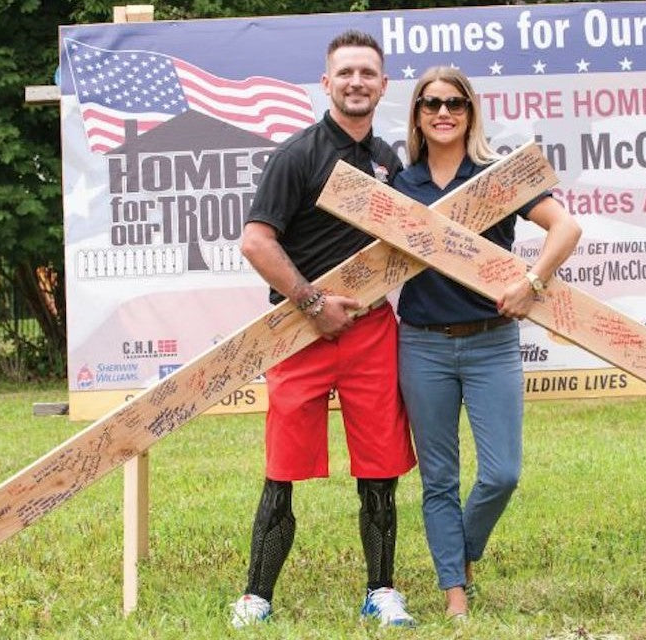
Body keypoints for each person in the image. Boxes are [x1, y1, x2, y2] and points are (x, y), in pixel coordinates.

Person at [232, 30, 417, 628]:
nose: (357, 82)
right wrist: (313, 303)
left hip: (370, 333)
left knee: (379, 466)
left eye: (368, 73)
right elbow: (256, 242)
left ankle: (381, 592)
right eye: (346, 73)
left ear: (383, 85)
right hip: (298, 332)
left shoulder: (392, 162)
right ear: (327, 83)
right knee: (282, 468)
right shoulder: (298, 154)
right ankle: (256, 598)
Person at [393, 67, 582, 619]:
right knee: (440, 479)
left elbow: (565, 229)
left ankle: (462, 551)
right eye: (431, 104)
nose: (443, 112)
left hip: (490, 342)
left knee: (503, 474)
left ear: (471, 111)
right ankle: (455, 593)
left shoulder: (496, 174)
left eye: (455, 103)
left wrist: (532, 284)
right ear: (418, 114)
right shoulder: (402, 186)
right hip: (423, 345)